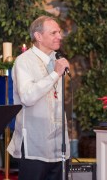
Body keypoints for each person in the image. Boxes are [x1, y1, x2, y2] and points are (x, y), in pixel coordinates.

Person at [7, 15, 70, 180]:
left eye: (59, 32)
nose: (59, 36)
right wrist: (55, 74)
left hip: (58, 143)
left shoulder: (57, 59)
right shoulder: (24, 61)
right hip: (34, 144)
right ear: (38, 36)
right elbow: (27, 97)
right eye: (53, 33)